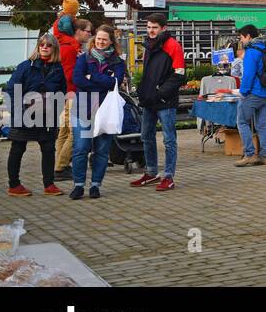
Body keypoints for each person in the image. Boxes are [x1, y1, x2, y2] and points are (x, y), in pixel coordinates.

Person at [70, 24, 128, 199]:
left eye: (104, 39)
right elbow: (77, 79)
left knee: (102, 151)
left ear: (111, 41)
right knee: (80, 149)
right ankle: (78, 185)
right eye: (98, 38)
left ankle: (95, 185)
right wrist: (103, 81)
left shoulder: (118, 62)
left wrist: (92, 77)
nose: (100, 42)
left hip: (105, 111)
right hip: (83, 109)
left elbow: (115, 82)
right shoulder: (83, 58)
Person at [6, 34, 68, 196]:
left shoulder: (58, 69)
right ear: (38, 47)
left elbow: (62, 91)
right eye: (42, 44)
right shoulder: (25, 66)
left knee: (48, 149)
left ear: (54, 48)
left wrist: (55, 109)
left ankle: (49, 185)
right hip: (24, 113)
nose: (44, 47)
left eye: (48, 45)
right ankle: (14, 185)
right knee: (18, 148)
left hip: (47, 116)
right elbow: (12, 90)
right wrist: (17, 111)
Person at [132, 12, 185, 191]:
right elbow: (148, 73)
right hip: (149, 100)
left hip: (165, 101)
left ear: (164, 28)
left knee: (169, 140)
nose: (150, 31)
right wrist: (143, 90)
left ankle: (168, 177)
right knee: (146, 136)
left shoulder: (173, 46)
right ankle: (151, 172)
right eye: (148, 27)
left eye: (154, 27)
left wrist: (161, 93)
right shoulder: (149, 45)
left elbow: (179, 74)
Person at [53, 13, 92, 179]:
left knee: (64, 130)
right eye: (88, 32)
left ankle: (59, 165)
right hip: (72, 93)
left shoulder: (67, 46)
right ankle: (61, 167)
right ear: (79, 31)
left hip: (67, 93)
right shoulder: (70, 49)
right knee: (73, 133)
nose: (90, 34)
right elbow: (69, 75)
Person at [233, 25, 266, 167]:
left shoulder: (251, 52)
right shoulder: (265, 49)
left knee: (242, 122)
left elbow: (248, 75)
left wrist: (243, 92)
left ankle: (249, 154)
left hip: (253, 93)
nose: (241, 41)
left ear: (248, 36)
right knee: (262, 125)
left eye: (241, 37)